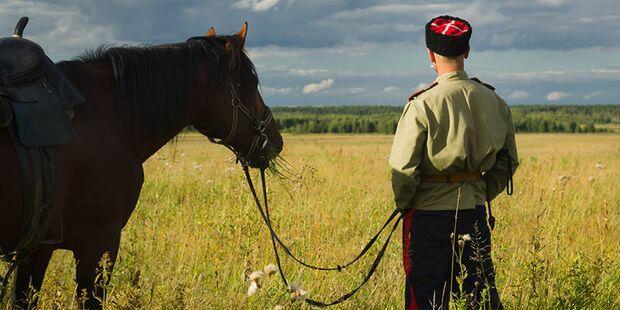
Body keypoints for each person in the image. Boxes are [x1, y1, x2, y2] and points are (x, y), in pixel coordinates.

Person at [389, 15, 519, 310]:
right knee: (480, 299)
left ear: (430, 55)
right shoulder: (495, 102)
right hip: (473, 213)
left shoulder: (422, 104)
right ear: (467, 51)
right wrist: (480, 192)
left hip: (428, 216)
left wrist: (405, 203)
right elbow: (508, 162)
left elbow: (403, 168)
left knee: (425, 299)